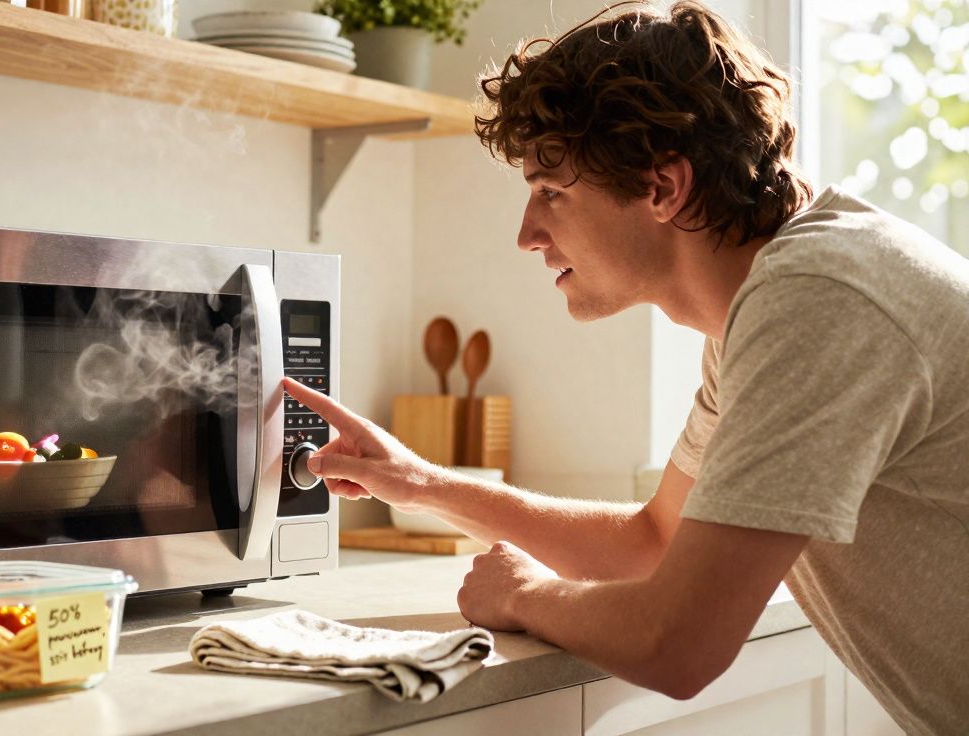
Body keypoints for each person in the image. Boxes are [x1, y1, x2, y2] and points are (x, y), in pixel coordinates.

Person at [279, 2, 969, 732]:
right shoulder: (762, 306)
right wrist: (421, 484)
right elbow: (655, 542)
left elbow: (678, 641)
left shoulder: (819, 300)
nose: (526, 234)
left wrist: (524, 597)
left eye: (551, 192)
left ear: (663, 188)